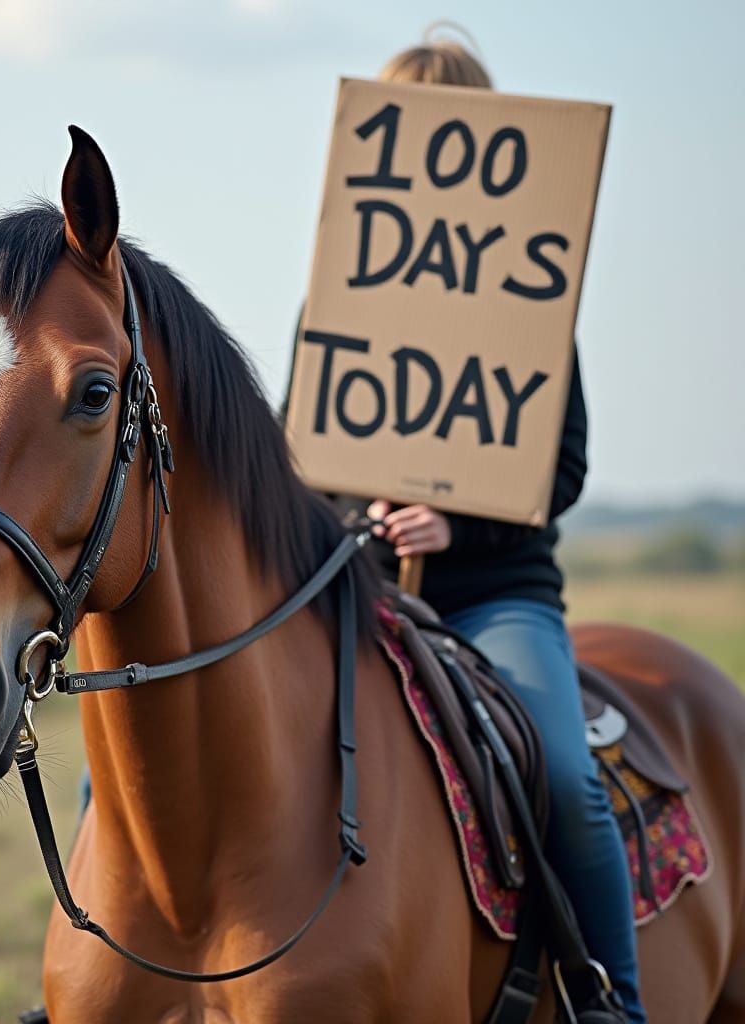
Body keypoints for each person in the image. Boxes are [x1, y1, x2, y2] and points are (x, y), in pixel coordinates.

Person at [319, 31, 646, 1024]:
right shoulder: (334, 301)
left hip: (500, 596)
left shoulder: (531, 308)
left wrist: (454, 523)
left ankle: (609, 1001)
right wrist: (360, 517)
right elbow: (303, 461)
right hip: (359, 587)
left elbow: (565, 465)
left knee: (560, 769)